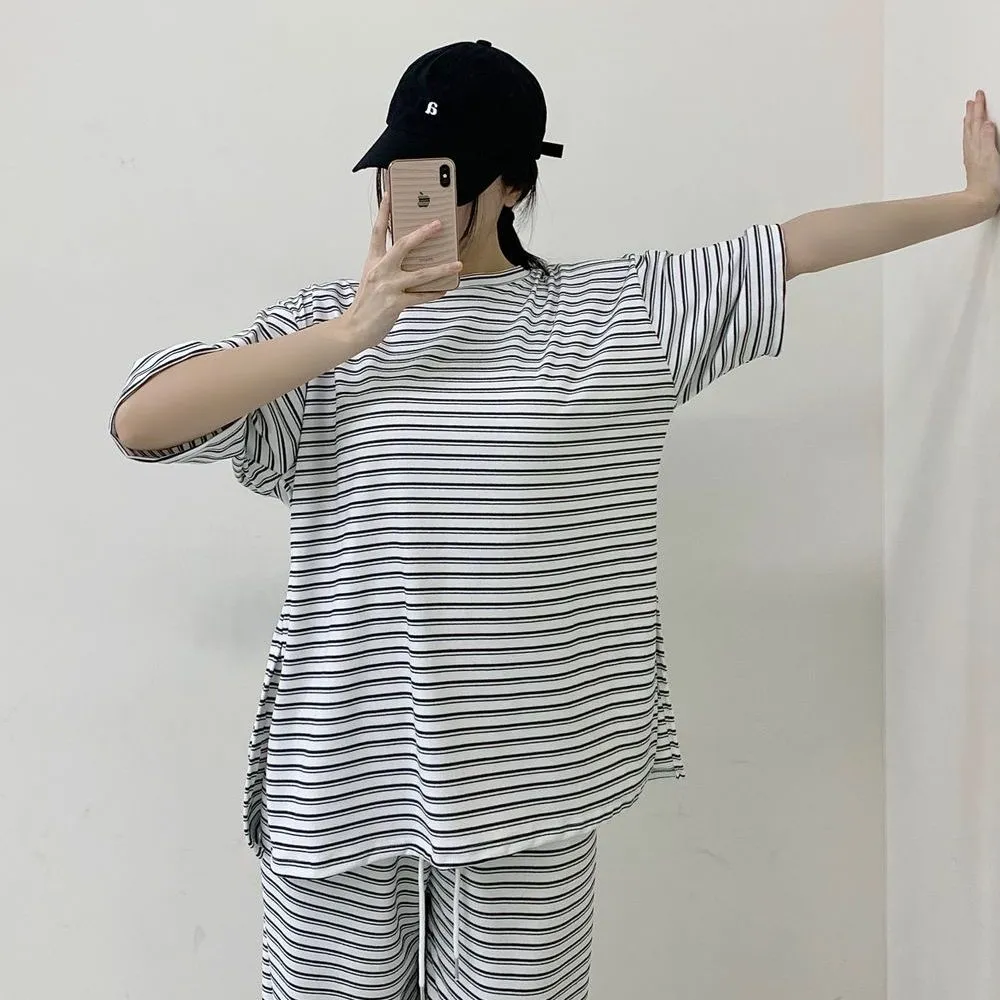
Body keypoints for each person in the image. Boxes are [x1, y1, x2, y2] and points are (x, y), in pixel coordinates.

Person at [111, 38, 1000, 1000]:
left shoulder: (617, 312)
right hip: (342, 775)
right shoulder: (324, 329)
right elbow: (140, 422)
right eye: (396, 172)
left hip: (531, 781)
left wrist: (970, 204)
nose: (406, 202)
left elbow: (796, 245)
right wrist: (351, 331)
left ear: (509, 184)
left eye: (440, 176)